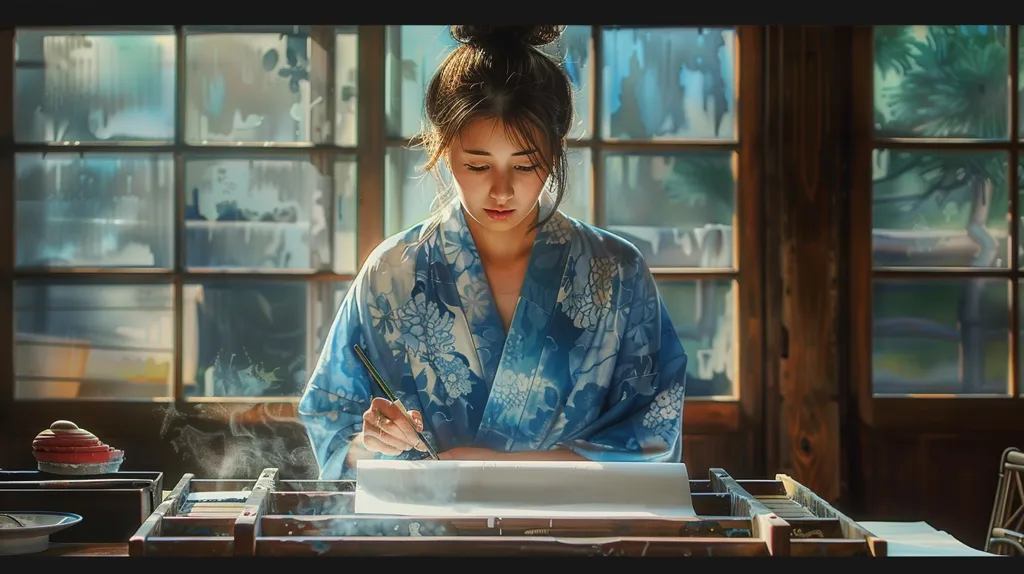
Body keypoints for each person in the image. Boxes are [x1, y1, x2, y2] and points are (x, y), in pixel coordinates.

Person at [299, 25, 689, 480]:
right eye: (478, 165)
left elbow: (653, 438)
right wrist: (373, 440)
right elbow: (333, 429)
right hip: (426, 536)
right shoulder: (392, 272)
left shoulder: (617, 271)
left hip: (578, 537)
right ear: (443, 150)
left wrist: (489, 469)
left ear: (557, 149)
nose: (501, 190)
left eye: (525, 164)